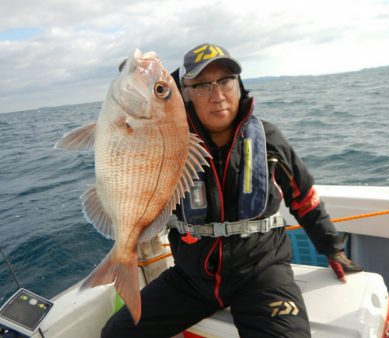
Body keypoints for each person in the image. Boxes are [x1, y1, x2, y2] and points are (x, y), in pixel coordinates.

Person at [101, 43, 362, 338]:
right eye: (202, 85)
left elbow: (304, 199)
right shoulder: (169, 144)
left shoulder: (269, 138)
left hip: (262, 273)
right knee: (116, 333)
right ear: (184, 93)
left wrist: (332, 248)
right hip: (192, 278)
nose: (218, 95)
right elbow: (133, 173)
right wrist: (134, 85)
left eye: (226, 81)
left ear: (239, 85)